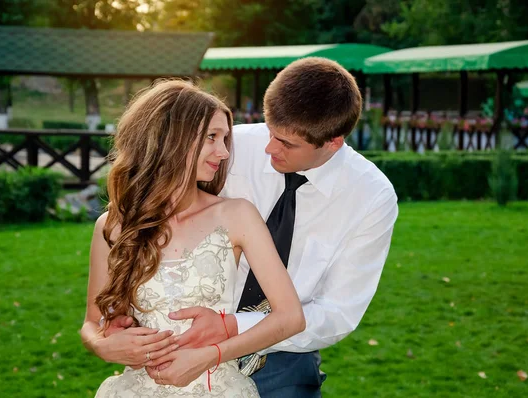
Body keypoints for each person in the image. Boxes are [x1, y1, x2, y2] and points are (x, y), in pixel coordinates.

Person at [109, 57, 398, 397]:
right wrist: (121, 313)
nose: (268, 147)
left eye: (286, 144)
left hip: (282, 360)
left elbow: (337, 313)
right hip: (179, 346)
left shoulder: (371, 197)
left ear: (333, 142)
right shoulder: (229, 147)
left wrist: (230, 327)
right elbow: (161, 221)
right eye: (269, 130)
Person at [81, 80, 305, 397]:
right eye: (212, 137)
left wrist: (210, 355)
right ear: (169, 140)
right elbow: (93, 322)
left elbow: (291, 318)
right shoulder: (113, 226)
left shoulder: (237, 215)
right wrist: (104, 346)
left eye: (225, 138)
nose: (224, 151)